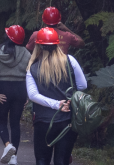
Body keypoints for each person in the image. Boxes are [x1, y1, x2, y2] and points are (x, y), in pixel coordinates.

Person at [27, 27, 87, 165]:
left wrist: (55, 104)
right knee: (62, 160)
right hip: (67, 120)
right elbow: (83, 85)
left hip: (43, 121)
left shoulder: (33, 68)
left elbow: (32, 95)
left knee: (42, 160)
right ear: (57, 43)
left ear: (39, 46)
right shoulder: (70, 60)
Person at [0, 25, 31, 165]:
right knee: (15, 124)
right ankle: (14, 157)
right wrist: (28, 94)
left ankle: (7, 145)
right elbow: (31, 74)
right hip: (20, 89)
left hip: (4, 88)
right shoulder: (27, 54)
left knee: (1, 122)